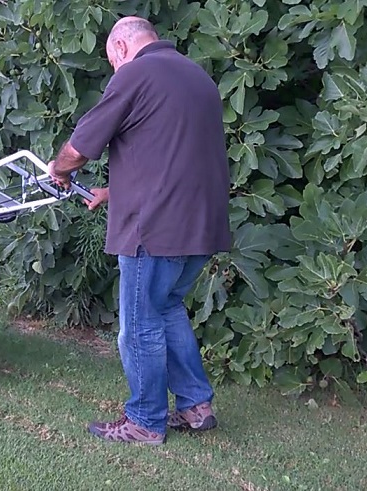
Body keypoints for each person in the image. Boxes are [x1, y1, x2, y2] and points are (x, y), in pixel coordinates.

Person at [47, 16, 231, 445]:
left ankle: (145, 421)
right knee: (166, 308)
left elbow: (81, 145)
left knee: (140, 323)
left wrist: (59, 169)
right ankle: (196, 406)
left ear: (121, 49)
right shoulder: (196, 76)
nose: (116, 71)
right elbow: (173, 156)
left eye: (113, 62)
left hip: (155, 230)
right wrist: (114, 191)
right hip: (201, 225)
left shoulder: (136, 73)